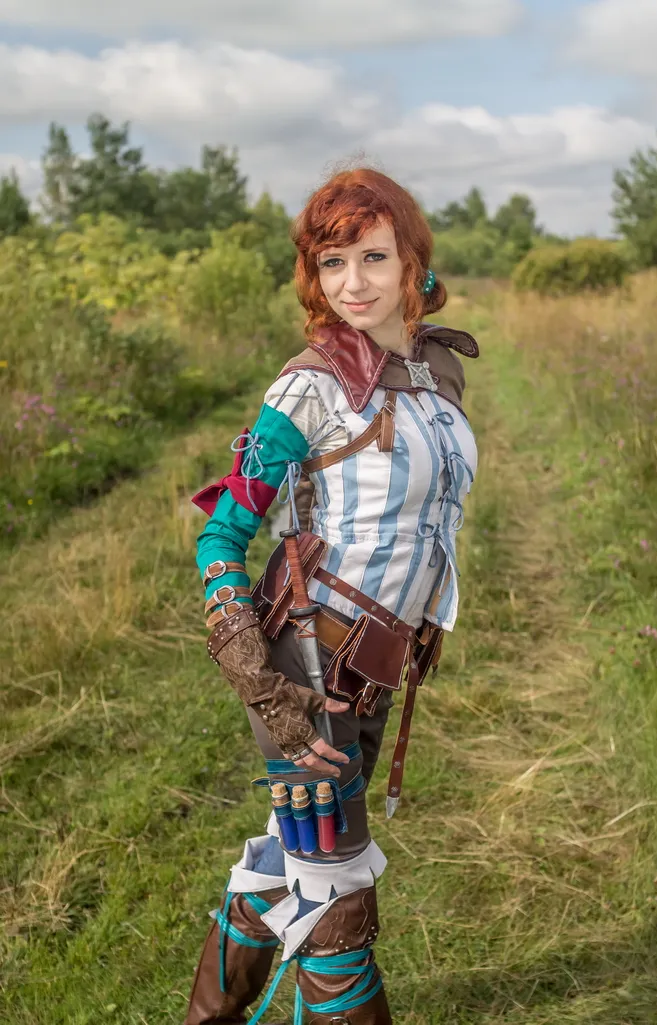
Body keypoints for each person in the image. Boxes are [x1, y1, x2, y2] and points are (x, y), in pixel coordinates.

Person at [184, 167, 479, 1025]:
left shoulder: (434, 372)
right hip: (306, 668)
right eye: (333, 261)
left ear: (414, 262)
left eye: (374, 257)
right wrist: (260, 682)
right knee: (339, 903)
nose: (354, 282)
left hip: (377, 665)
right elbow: (220, 536)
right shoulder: (306, 388)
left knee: (295, 863)